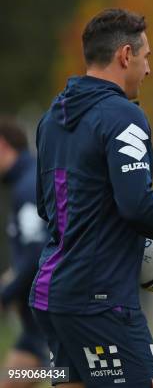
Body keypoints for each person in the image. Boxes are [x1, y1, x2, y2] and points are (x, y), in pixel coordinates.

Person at [29, 8, 153, 388]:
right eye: (146, 57)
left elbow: (45, 208)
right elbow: (136, 205)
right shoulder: (122, 116)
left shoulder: (51, 119)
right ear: (125, 56)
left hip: (52, 297)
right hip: (99, 301)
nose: (148, 70)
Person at [0, 118, 48, 388]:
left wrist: (6, 295)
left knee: (65, 375)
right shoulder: (25, 181)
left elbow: (39, 251)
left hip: (50, 327)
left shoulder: (29, 185)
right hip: (35, 332)